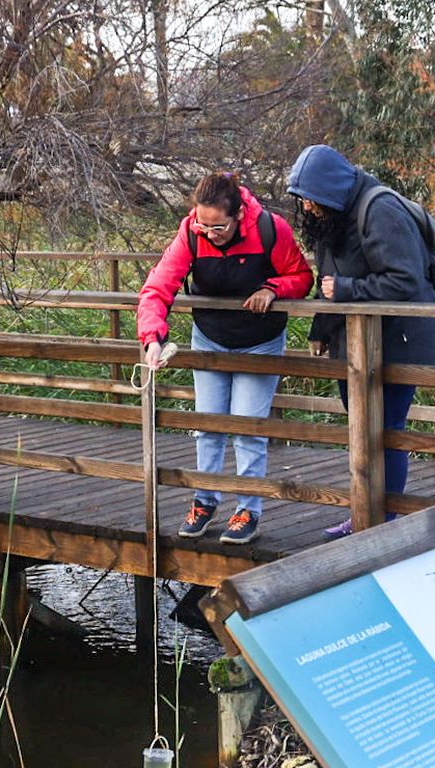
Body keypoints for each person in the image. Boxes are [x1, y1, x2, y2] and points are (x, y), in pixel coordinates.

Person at [137, 172, 313, 545]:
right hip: (210, 338)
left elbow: (301, 276)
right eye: (202, 225)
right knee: (208, 426)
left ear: (238, 216)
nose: (209, 233)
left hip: (259, 341)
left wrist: (272, 288)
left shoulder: (270, 229)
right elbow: (157, 288)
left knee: (247, 428)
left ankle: (248, 509)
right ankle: (204, 501)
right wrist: (152, 338)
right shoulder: (190, 233)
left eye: (218, 227)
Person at [285, 144, 435, 540]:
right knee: (360, 428)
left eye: (311, 198)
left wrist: (347, 289)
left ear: (331, 190)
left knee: (386, 429)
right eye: (302, 199)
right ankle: (364, 514)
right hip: (354, 341)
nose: (306, 207)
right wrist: (321, 329)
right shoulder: (332, 218)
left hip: (399, 338)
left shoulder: (381, 210)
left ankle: (385, 520)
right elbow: (328, 280)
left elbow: (405, 278)